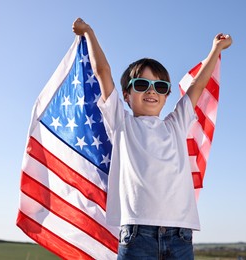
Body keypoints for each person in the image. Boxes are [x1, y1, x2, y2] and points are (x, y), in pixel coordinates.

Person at [72, 17, 232, 260]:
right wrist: (89, 33)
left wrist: (215, 49)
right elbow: (102, 71)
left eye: (160, 86)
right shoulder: (122, 123)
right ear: (126, 95)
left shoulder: (176, 124)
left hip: (180, 236)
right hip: (137, 236)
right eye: (142, 84)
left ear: (167, 95)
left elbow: (197, 86)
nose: (151, 91)